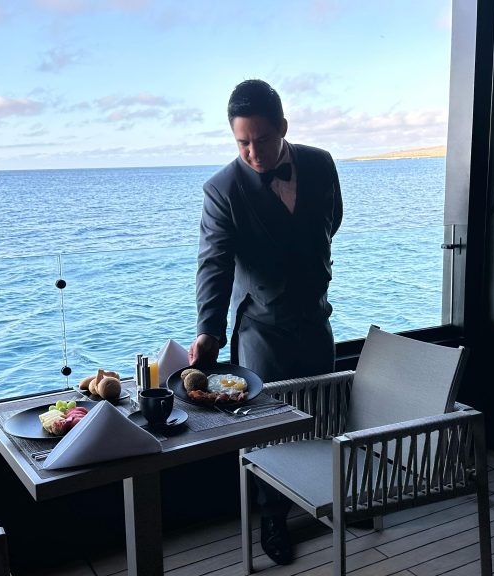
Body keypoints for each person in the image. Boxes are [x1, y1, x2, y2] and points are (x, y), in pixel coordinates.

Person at [188, 79, 342, 565]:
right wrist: (209, 331)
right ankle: (272, 518)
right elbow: (214, 264)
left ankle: (334, 499)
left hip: (315, 318)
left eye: (261, 139)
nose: (253, 152)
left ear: (284, 128)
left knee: (325, 413)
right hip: (261, 326)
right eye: (242, 143)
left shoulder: (320, 163)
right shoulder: (222, 189)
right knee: (266, 427)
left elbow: (331, 222)